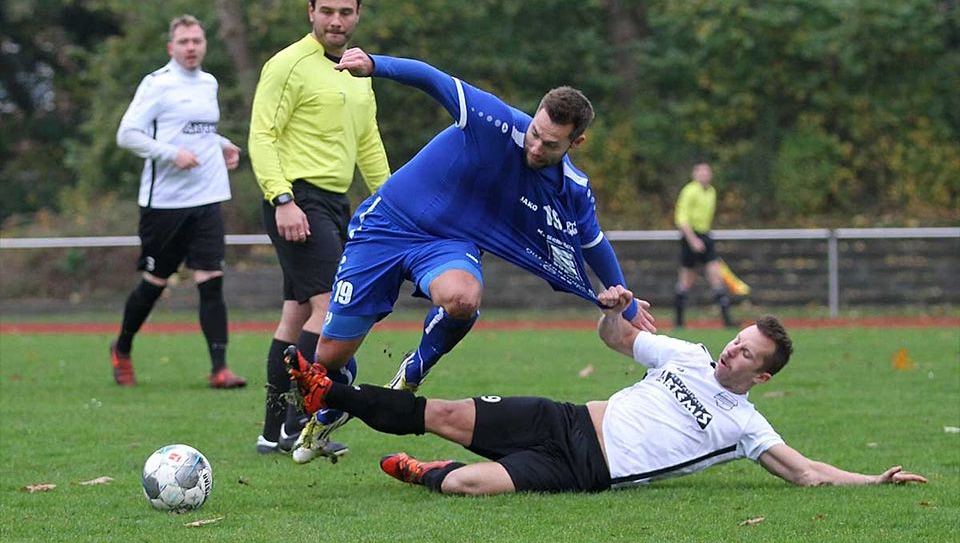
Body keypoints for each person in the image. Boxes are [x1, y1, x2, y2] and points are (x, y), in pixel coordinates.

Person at [289, 47, 657, 464]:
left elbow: (592, 243)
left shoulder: (572, 187)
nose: (535, 146)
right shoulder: (494, 119)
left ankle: (415, 368)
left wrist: (624, 300)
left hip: (448, 243)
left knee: (463, 298)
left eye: (550, 144)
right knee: (329, 358)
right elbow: (433, 77)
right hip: (385, 228)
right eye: (534, 132)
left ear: (577, 142)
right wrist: (374, 65)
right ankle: (337, 401)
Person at [283, 286, 927, 495]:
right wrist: (614, 306)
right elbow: (613, 339)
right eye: (737, 339)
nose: (732, 349)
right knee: (442, 411)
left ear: (760, 377)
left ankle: (428, 472)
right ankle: (328, 393)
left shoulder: (746, 428)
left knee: (464, 486)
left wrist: (874, 482)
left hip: (584, 468)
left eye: (746, 355)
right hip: (564, 417)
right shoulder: (687, 354)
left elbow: (808, 473)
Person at [248, 0, 391, 456]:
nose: (335, 20)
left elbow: (368, 143)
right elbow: (262, 135)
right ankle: (298, 423)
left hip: (335, 204)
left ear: (357, 14)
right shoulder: (287, 65)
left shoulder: (357, 70)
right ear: (310, 11)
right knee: (332, 309)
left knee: (295, 316)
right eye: (326, 11)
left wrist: (393, 202)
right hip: (298, 201)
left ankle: (273, 434)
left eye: (345, 12)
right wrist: (281, 198)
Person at [110, 14, 246, 389]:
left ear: (205, 45)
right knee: (155, 281)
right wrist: (171, 154)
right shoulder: (157, 84)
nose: (191, 48)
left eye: (197, 41)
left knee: (211, 280)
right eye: (184, 42)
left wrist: (222, 145)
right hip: (165, 204)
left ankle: (219, 369)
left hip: (208, 197)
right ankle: (121, 347)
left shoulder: (209, 83)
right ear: (172, 47)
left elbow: (200, 130)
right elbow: (127, 135)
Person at [674, 162, 734, 328]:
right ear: (695, 174)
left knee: (716, 274)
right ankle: (679, 321)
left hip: (705, 235)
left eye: (707, 172)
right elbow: (681, 218)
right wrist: (693, 239)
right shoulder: (689, 191)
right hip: (691, 236)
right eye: (701, 172)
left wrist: (703, 238)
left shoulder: (711, 191)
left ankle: (727, 319)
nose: (704, 175)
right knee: (687, 279)